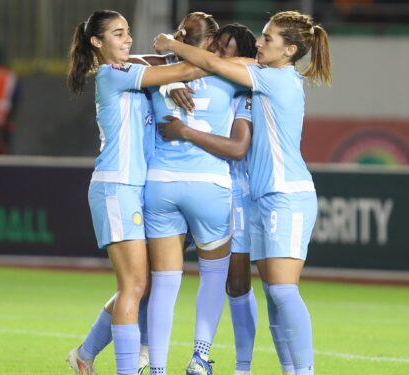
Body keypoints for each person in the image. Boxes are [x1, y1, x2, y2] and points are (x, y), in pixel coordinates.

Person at [155, 10, 332, 375]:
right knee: (273, 295)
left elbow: (211, 62)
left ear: (290, 50)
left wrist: (170, 45)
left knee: (283, 292)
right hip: (265, 197)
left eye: (268, 39)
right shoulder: (271, 74)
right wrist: (170, 81)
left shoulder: (277, 79)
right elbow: (220, 62)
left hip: (288, 195)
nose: (260, 43)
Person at [64, 11, 217, 375]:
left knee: (141, 285)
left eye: (128, 31)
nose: (128, 38)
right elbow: (186, 70)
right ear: (97, 43)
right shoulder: (112, 74)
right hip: (117, 186)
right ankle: (127, 367)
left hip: (137, 189)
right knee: (134, 284)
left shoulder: (133, 74)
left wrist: (163, 85)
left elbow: (164, 73)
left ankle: (85, 355)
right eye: (118, 33)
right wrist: (195, 58)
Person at [156, 23, 259, 375]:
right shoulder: (195, 77)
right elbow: (147, 61)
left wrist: (185, 130)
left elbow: (238, 149)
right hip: (197, 185)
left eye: (229, 49)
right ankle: (143, 355)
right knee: (148, 279)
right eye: (218, 45)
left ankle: (239, 367)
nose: (219, 54)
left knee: (237, 283)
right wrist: (171, 75)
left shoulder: (243, 85)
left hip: (234, 191)